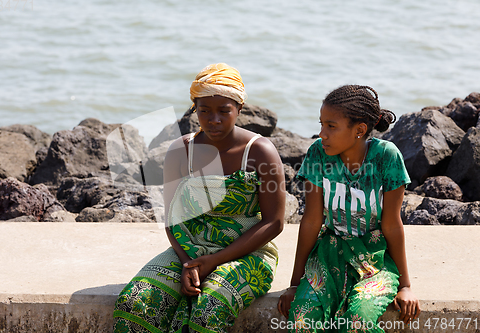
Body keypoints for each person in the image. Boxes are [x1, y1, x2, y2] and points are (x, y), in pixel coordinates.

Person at [113, 63, 286, 333]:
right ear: (195, 109)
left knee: (209, 308)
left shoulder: (260, 151)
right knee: (135, 302)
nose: (213, 119)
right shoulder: (181, 150)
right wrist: (187, 263)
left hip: (248, 252)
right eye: (204, 111)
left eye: (223, 111)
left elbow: (274, 223)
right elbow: (172, 218)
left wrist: (213, 262)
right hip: (191, 247)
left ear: (239, 109)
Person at [277, 85, 421, 332]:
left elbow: (391, 223)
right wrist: (294, 284)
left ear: (360, 130)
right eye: (321, 124)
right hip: (329, 254)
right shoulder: (318, 155)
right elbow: (312, 221)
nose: (322, 134)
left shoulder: (386, 157)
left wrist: (405, 285)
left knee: (358, 322)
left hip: (375, 259)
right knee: (301, 321)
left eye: (331, 126)